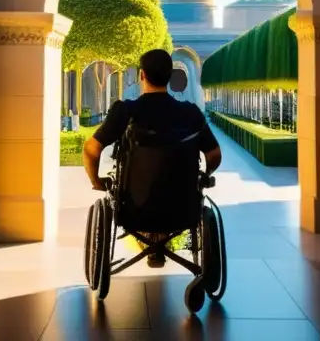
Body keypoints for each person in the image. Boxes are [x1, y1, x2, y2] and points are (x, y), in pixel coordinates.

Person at [83, 48, 222, 267]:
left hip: (134, 210)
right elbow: (214, 155)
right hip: (183, 210)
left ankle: (151, 243)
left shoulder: (125, 111)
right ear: (170, 76)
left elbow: (91, 149)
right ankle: (163, 245)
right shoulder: (191, 113)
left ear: (142, 75)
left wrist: (97, 181)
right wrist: (204, 175)